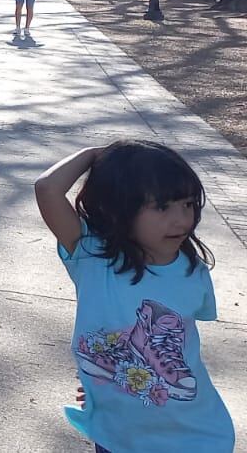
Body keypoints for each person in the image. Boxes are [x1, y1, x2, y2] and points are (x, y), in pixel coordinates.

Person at [34, 141, 234, 452]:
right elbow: (47, 189)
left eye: (188, 204)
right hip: (118, 435)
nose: (182, 220)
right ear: (118, 209)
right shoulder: (92, 258)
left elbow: (183, 352)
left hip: (194, 434)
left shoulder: (192, 272)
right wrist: (94, 154)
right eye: (163, 207)